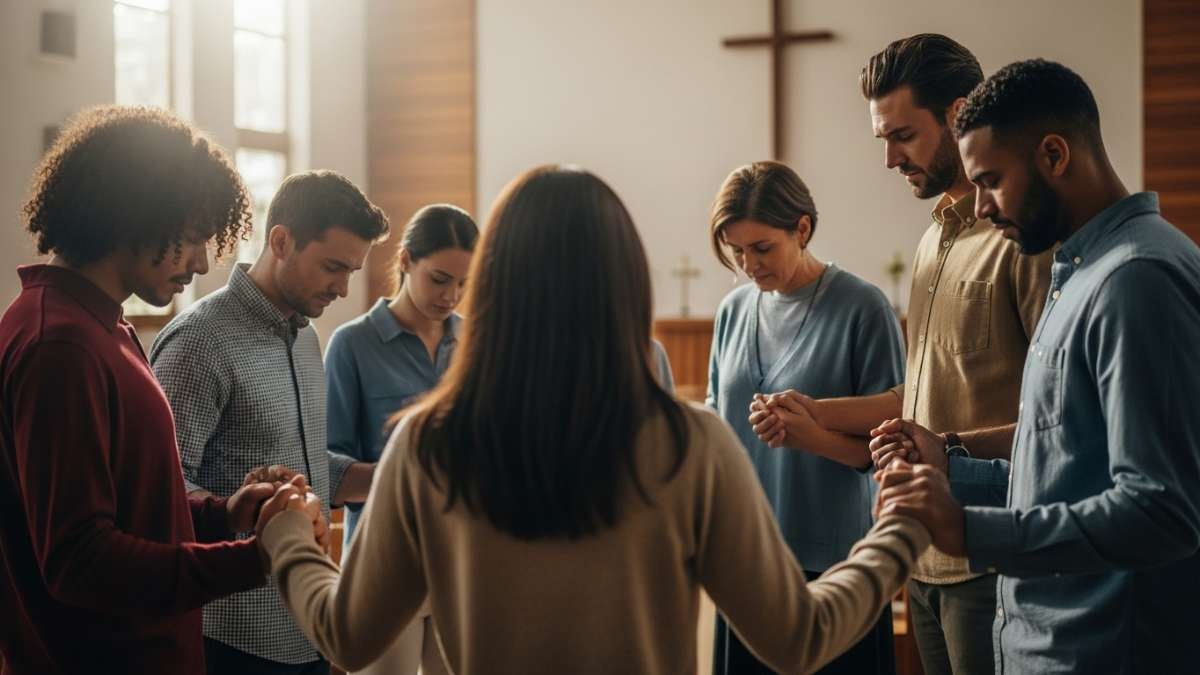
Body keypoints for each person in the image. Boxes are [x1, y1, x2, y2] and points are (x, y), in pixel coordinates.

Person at [257, 164, 932, 674]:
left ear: (492, 285)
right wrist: (898, 530)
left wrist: (287, 535)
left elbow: (347, 635)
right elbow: (799, 638)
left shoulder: (428, 445)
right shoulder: (688, 444)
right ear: (626, 283)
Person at [875, 59, 1200, 674]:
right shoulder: (1077, 273)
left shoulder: (1137, 280)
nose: (984, 207)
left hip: (1101, 651)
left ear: (1054, 155)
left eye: (992, 180)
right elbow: (1065, 471)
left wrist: (970, 531)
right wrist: (949, 467)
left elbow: (1162, 512)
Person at [752, 35, 1053, 675]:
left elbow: (1055, 419)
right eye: (882, 140)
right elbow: (913, 399)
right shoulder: (928, 243)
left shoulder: (1021, 240)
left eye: (903, 136)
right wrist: (815, 413)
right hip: (916, 555)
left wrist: (948, 450)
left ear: (958, 113)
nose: (889, 158)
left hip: (990, 556)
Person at [0, 105, 326, 674]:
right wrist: (257, 558)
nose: (202, 262)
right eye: (195, 237)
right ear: (136, 214)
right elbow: (81, 560)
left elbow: (131, 507)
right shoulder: (61, 344)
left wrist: (225, 514)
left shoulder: (101, 326)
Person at [150, 170, 387, 674]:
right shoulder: (199, 343)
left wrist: (398, 475)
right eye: (333, 267)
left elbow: (304, 460)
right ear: (281, 240)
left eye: (352, 271)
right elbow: (162, 491)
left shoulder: (306, 338)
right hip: (230, 636)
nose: (344, 289)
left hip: (308, 625)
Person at [704, 161, 906, 674]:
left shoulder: (863, 308)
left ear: (803, 229)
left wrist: (812, 436)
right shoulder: (732, 312)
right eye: (737, 251)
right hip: (744, 559)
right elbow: (716, 425)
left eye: (762, 248)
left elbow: (889, 445)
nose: (749, 264)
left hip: (834, 569)